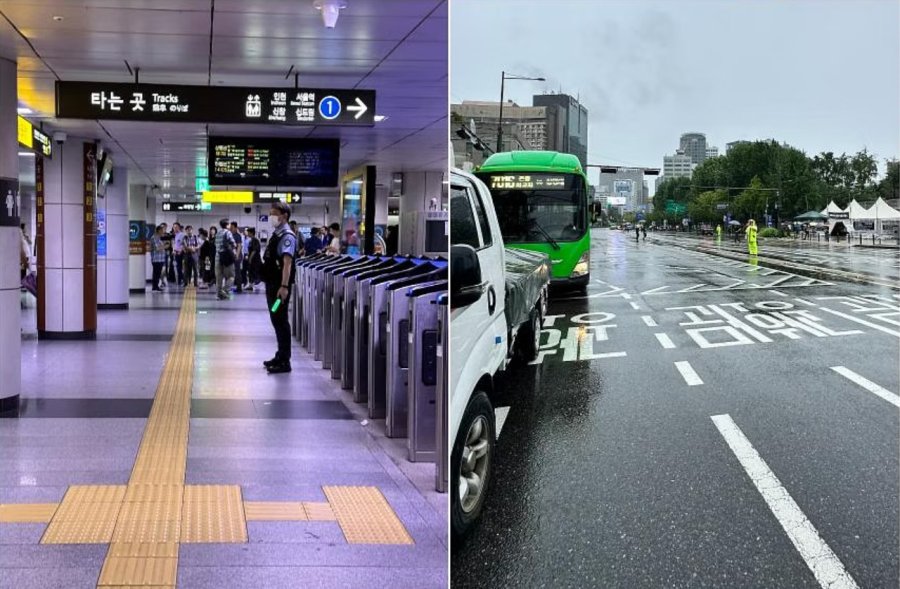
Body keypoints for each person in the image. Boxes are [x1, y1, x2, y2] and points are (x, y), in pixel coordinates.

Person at [261, 202, 297, 374]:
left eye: (274, 213)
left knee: (280, 320)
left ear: (284, 216)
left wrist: (284, 287)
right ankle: (280, 355)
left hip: (279, 288)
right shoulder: (277, 234)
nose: (271, 216)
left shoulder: (287, 236)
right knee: (276, 319)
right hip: (272, 284)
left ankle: (285, 361)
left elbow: (287, 264)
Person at [215, 218, 237, 300]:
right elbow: (234, 244)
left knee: (219, 277)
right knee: (231, 276)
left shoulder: (217, 233)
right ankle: (224, 290)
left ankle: (218, 295)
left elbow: (216, 245)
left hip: (218, 257)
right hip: (226, 258)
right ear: (227, 225)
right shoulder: (228, 232)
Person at [150, 225, 166, 291]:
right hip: (156, 259)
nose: (163, 231)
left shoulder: (159, 238)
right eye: (162, 230)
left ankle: (156, 286)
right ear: (159, 230)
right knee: (156, 273)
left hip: (160, 259)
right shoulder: (154, 238)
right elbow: (157, 248)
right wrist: (165, 246)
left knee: (158, 273)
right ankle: (154, 287)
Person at [230, 222, 244, 293]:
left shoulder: (237, 235)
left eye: (232, 227)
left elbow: (239, 246)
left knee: (237, 272)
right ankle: (233, 286)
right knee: (233, 272)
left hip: (237, 256)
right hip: (232, 256)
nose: (231, 228)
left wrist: (237, 255)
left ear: (235, 228)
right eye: (230, 227)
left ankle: (239, 288)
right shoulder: (231, 235)